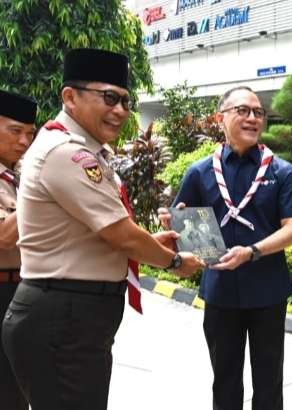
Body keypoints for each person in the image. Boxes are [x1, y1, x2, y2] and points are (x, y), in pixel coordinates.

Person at [0, 48, 204, 410]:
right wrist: (172, 262)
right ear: (70, 97)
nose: (121, 111)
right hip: (62, 315)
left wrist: (150, 242)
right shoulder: (66, 153)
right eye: (109, 97)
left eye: (125, 100)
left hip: (72, 315)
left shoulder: (88, 152)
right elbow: (120, 234)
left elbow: (93, 233)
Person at [159, 85, 292, 410]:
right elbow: (185, 225)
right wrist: (171, 225)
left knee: (269, 380)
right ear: (220, 118)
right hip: (220, 291)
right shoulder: (199, 172)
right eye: (243, 111)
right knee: (225, 379)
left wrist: (252, 251)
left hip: (268, 291)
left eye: (258, 112)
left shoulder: (281, 172)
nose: (253, 118)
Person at [0, 89, 36, 410]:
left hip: (21, 290)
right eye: (15, 131)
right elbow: (4, 236)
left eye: (30, 133)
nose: (24, 141)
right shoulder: (28, 183)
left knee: (18, 386)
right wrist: (40, 192)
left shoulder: (16, 178)